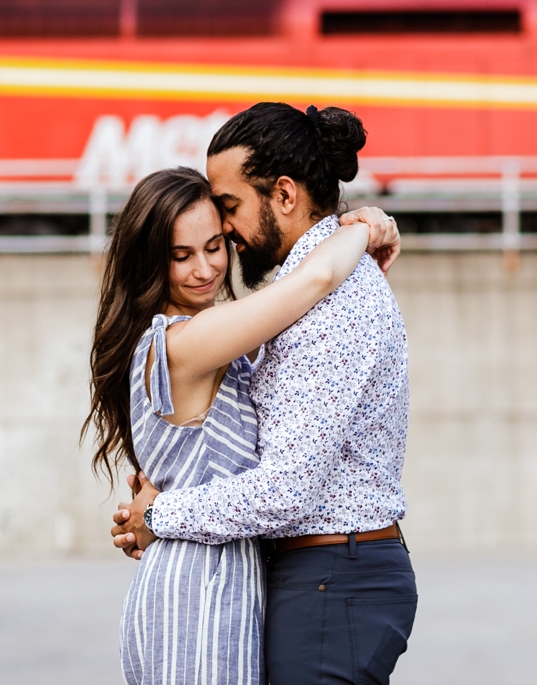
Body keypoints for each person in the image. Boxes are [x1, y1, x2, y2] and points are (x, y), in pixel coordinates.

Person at [111, 103, 419, 685]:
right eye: (182, 253)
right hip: (285, 575)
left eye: (227, 211)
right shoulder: (291, 301)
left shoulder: (330, 298)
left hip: (329, 575)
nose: (222, 236)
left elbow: (285, 488)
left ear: (283, 194)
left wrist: (161, 511)